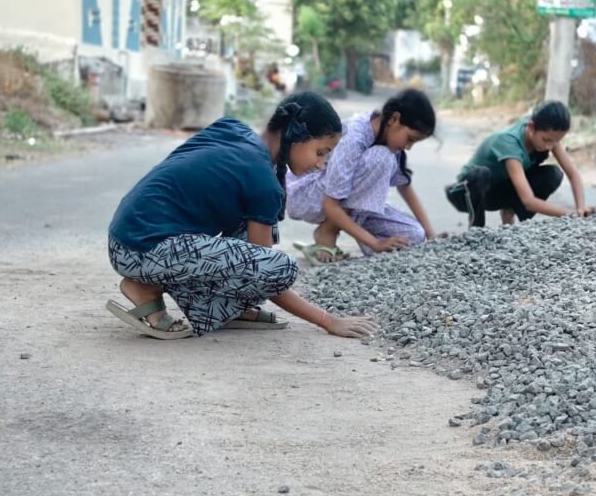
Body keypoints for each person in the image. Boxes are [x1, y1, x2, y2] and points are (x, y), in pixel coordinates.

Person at [106, 91, 376, 340]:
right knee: (282, 267)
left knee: (262, 228)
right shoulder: (261, 180)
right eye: (320, 152)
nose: (320, 164)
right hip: (139, 248)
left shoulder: (234, 129)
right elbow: (268, 274)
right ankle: (145, 288)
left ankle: (227, 309)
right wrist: (328, 320)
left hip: (128, 234)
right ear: (294, 135)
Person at [286, 88, 437, 263]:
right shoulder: (354, 138)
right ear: (394, 119)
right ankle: (327, 233)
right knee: (381, 158)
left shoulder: (388, 138)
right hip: (306, 194)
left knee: (414, 236)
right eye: (410, 139)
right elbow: (331, 205)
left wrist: (430, 234)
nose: (409, 147)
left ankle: (362, 242)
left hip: (348, 205)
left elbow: (404, 186)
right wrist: (375, 243)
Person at [446, 100, 595, 228]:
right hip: (466, 192)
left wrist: (581, 207)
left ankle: (511, 216)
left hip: (499, 190)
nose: (550, 146)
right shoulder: (509, 142)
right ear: (531, 128)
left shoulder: (547, 138)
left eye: (556, 141)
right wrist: (570, 214)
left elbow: (573, 174)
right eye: (546, 140)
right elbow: (528, 201)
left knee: (552, 174)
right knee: (481, 174)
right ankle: (476, 232)